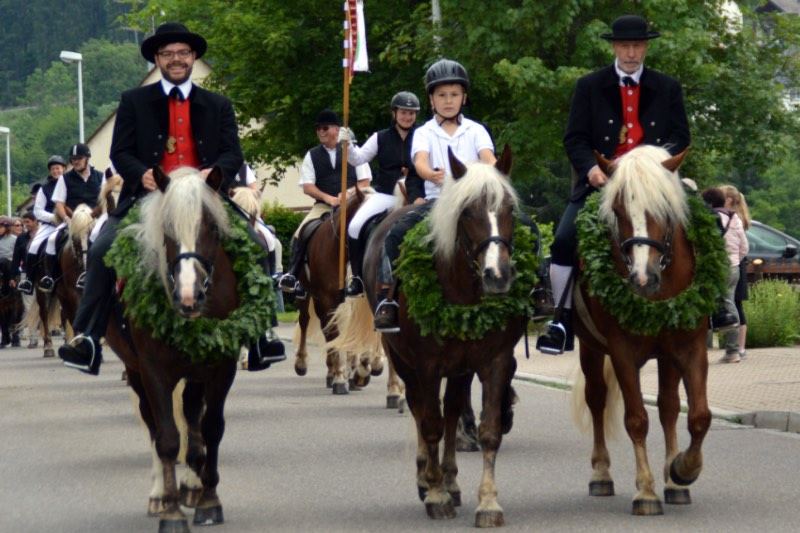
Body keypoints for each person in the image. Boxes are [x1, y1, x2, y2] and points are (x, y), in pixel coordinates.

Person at [58, 22, 282, 375]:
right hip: (152, 197)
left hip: (204, 197)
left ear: (193, 57)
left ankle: (262, 335)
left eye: (182, 53)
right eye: (168, 54)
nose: (176, 59)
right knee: (101, 249)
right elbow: (121, 151)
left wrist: (214, 174)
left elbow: (232, 153)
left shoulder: (218, 103)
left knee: (256, 242)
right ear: (157, 60)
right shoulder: (134, 101)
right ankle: (87, 337)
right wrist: (140, 174)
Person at [537, 14, 692, 354]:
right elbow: (574, 137)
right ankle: (560, 319)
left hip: (655, 183)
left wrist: (652, 165)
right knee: (563, 240)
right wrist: (591, 168)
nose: (631, 52)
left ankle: (719, 306)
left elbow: (681, 136)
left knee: (707, 225)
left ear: (646, 47)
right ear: (614, 47)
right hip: (603, 182)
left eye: (637, 45)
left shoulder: (667, 87)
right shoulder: (589, 86)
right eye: (625, 45)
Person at [372, 58, 496, 332]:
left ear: (464, 97)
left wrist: (493, 171)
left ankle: (538, 291)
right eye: (441, 95)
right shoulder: (424, 132)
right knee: (394, 234)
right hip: (436, 203)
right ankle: (386, 299)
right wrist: (430, 174)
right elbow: (420, 162)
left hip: (475, 205)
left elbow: (488, 158)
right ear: (431, 100)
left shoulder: (476, 130)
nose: (448, 101)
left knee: (523, 226)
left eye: (454, 94)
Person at [277, 110, 372, 298]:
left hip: (352, 205)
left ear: (336, 130)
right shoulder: (311, 155)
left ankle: (364, 277)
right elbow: (307, 186)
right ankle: (293, 276)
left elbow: (365, 181)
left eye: (324, 128)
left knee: (369, 230)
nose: (320, 131)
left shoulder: (353, 151)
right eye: (318, 128)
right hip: (324, 206)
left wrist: (349, 193)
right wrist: (329, 198)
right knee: (301, 231)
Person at [337, 91, 421, 297]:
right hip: (386, 195)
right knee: (356, 225)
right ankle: (357, 278)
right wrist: (347, 144)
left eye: (411, 113)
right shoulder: (380, 137)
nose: (407, 117)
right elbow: (357, 159)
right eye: (403, 112)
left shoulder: (424, 135)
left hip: (415, 195)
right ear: (394, 113)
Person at [38, 143, 104, 293]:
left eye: (79, 158)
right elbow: (59, 204)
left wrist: (96, 215)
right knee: (52, 239)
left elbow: (104, 201)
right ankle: (51, 278)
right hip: (72, 219)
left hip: (96, 219)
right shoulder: (65, 178)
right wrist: (67, 220)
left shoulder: (100, 176)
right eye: (73, 159)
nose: (75, 161)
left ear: (87, 158)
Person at [701, 187, 748, 363]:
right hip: (733, 267)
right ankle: (733, 351)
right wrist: (735, 260)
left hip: (715, 267)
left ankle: (702, 349)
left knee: (705, 304)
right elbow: (745, 247)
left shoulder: (709, 218)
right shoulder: (734, 217)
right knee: (730, 303)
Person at [16, 155, 66, 295]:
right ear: (50, 171)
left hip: (69, 222)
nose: (56, 171)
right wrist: (54, 218)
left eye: (58, 168)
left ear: (64, 168)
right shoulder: (44, 189)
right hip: (50, 224)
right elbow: (37, 211)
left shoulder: (69, 183)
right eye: (53, 169)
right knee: (34, 246)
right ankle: (30, 281)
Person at [721, 184, 752, 360]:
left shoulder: (729, 217)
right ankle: (739, 347)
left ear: (729, 199)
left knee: (733, 303)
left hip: (733, 263)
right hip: (737, 263)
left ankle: (736, 347)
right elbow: (744, 247)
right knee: (736, 303)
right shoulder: (740, 217)